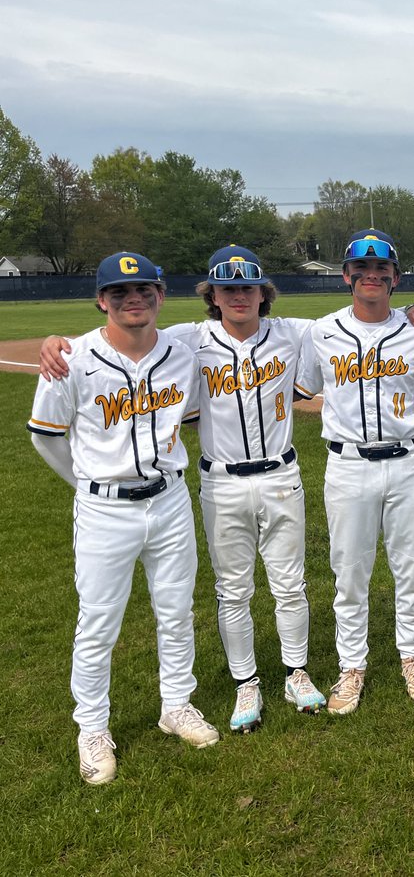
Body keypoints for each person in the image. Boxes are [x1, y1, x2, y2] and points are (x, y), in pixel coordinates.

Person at [40, 246, 328, 732]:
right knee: (231, 589)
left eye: (248, 287)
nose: (239, 296)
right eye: (227, 288)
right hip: (221, 480)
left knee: (290, 584)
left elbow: (350, 321)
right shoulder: (188, 340)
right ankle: (246, 683)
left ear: (264, 293)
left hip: (281, 475)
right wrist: (58, 343)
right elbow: (120, 338)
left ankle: (296, 672)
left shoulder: (292, 333)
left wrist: (409, 311)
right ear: (212, 295)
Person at [28, 252, 219, 786]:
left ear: (160, 295)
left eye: (143, 291)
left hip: (170, 499)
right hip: (104, 509)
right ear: (101, 300)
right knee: (98, 622)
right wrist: (87, 486)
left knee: (176, 611)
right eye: (119, 292)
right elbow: (45, 436)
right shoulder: (71, 358)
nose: (133, 300)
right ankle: (92, 727)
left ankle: (176, 704)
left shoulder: (182, 354)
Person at [296, 229, 414, 715]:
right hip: (348, 464)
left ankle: (412, 656)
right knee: (350, 574)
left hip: (407, 462)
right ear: (346, 276)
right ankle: (351, 666)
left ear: (396, 277)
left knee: (411, 569)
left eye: (381, 269)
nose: (371, 276)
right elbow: (300, 386)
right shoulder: (322, 332)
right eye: (362, 269)